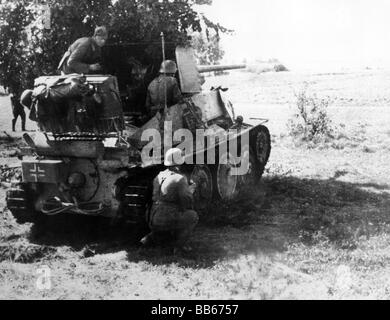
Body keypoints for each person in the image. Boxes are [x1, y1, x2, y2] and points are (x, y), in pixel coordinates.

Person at [141, 148, 199, 253]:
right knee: (192, 216)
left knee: (165, 217)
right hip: (166, 216)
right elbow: (187, 202)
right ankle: (179, 246)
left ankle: (151, 238)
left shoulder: (159, 176)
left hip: (152, 216)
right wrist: (190, 191)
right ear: (179, 163)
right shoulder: (180, 178)